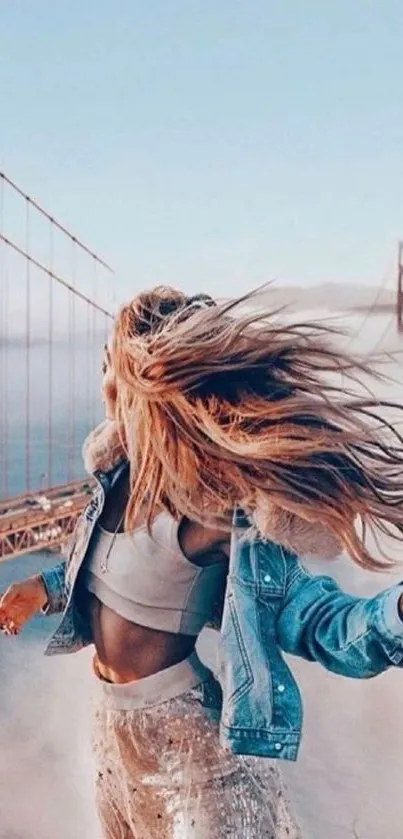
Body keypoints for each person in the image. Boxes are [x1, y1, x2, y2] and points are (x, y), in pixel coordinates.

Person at [1, 286, 403, 839]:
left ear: (138, 376)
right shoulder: (115, 480)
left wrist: (394, 616)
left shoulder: (213, 509)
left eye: (107, 359)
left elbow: (315, 620)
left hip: (190, 750)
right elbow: (115, 580)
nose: (100, 375)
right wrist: (44, 589)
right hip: (112, 744)